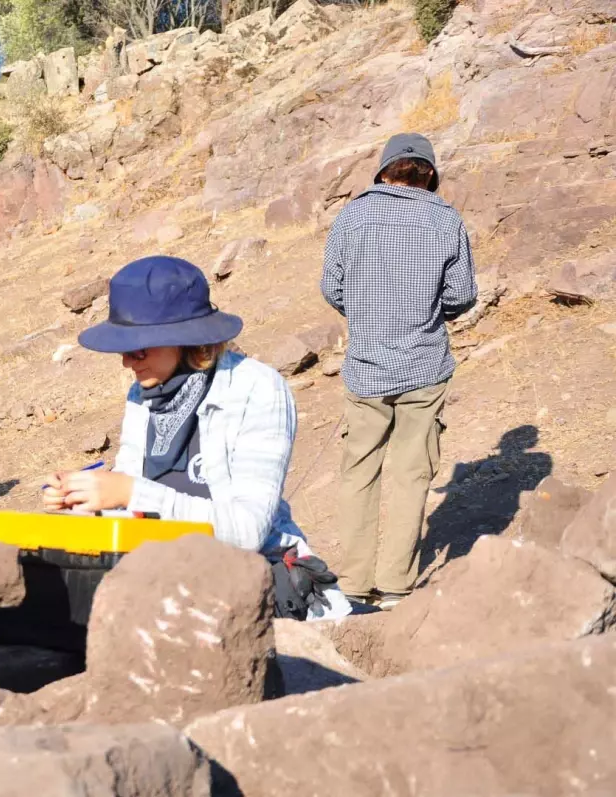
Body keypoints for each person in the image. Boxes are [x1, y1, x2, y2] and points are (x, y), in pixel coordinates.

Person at [43, 255, 350, 621]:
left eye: (138, 349)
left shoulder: (256, 388)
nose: (128, 363)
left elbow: (247, 531)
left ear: (185, 341)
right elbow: (130, 512)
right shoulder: (143, 396)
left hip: (255, 596)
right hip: (166, 588)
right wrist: (88, 501)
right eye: (122, 351)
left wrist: (129, 492)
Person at [320, 132, 477, 610]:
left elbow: (332, 287)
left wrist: (367, 314)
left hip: (366, 368)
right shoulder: (446, 218)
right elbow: (462, 296)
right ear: (428, 172)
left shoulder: (352, 215)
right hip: (424, 366)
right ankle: (395, 584)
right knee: (411, 474)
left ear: (385, 170)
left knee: (359, 474)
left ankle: (352, 582)